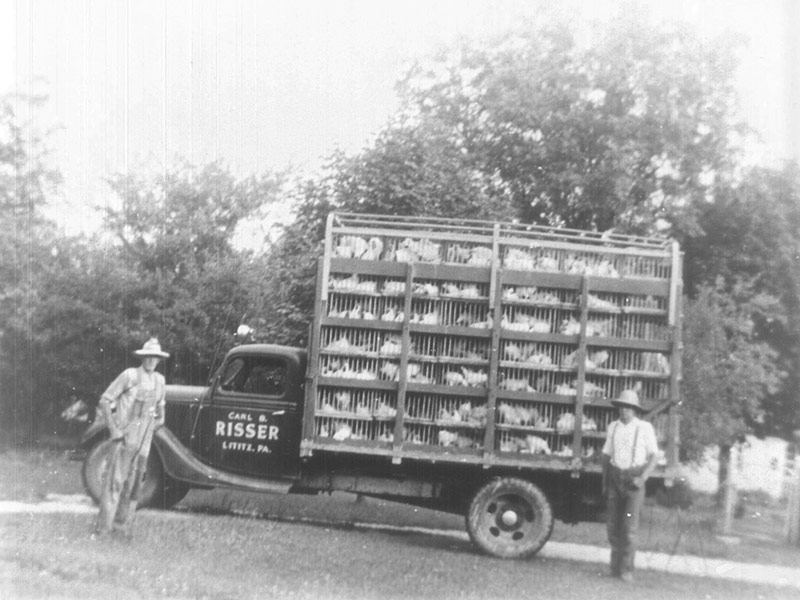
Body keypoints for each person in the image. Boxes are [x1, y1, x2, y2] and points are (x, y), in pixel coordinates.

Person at [93, 338, 169, 539]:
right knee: (115, 483)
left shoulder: (159, 381)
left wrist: (150, 427)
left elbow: (161, 414)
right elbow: (105, 400)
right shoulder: (130, 376)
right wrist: (115, 430)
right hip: (125, 438)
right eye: (148, 357)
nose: (151, 360)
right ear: (142, 358)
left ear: (159, 360)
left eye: (155, 357)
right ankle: (103, 530)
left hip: (144, 442)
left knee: (134, 486)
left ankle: (121, 530)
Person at [601, 389, 660, 583]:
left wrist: (642, 478)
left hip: (634, 481)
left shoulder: (644, 428)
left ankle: (626, 569)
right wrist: (605, 481)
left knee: (629, 527)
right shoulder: (613, 427)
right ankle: (614, 567)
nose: (624, 410)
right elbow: (606, 455)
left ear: (635, 409)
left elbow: (654, 457)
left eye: (628, 407)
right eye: (621, 407)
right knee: (612, 526)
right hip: (615, 478)